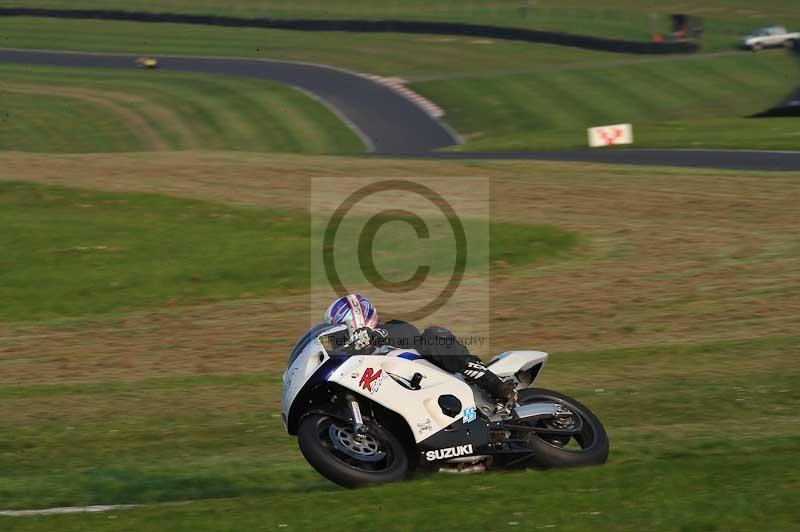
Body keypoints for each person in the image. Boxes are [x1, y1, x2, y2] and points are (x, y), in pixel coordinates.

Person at [323, 293, 515, 404]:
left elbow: (408, 333)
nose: (338, 340)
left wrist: (375, 336)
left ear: (356, 321)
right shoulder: (352, 364)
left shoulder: (391, 329)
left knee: (433, 336)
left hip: (442, 381)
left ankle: (495, 384)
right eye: (334, 336)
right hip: (412, 403)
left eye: (340, 333)